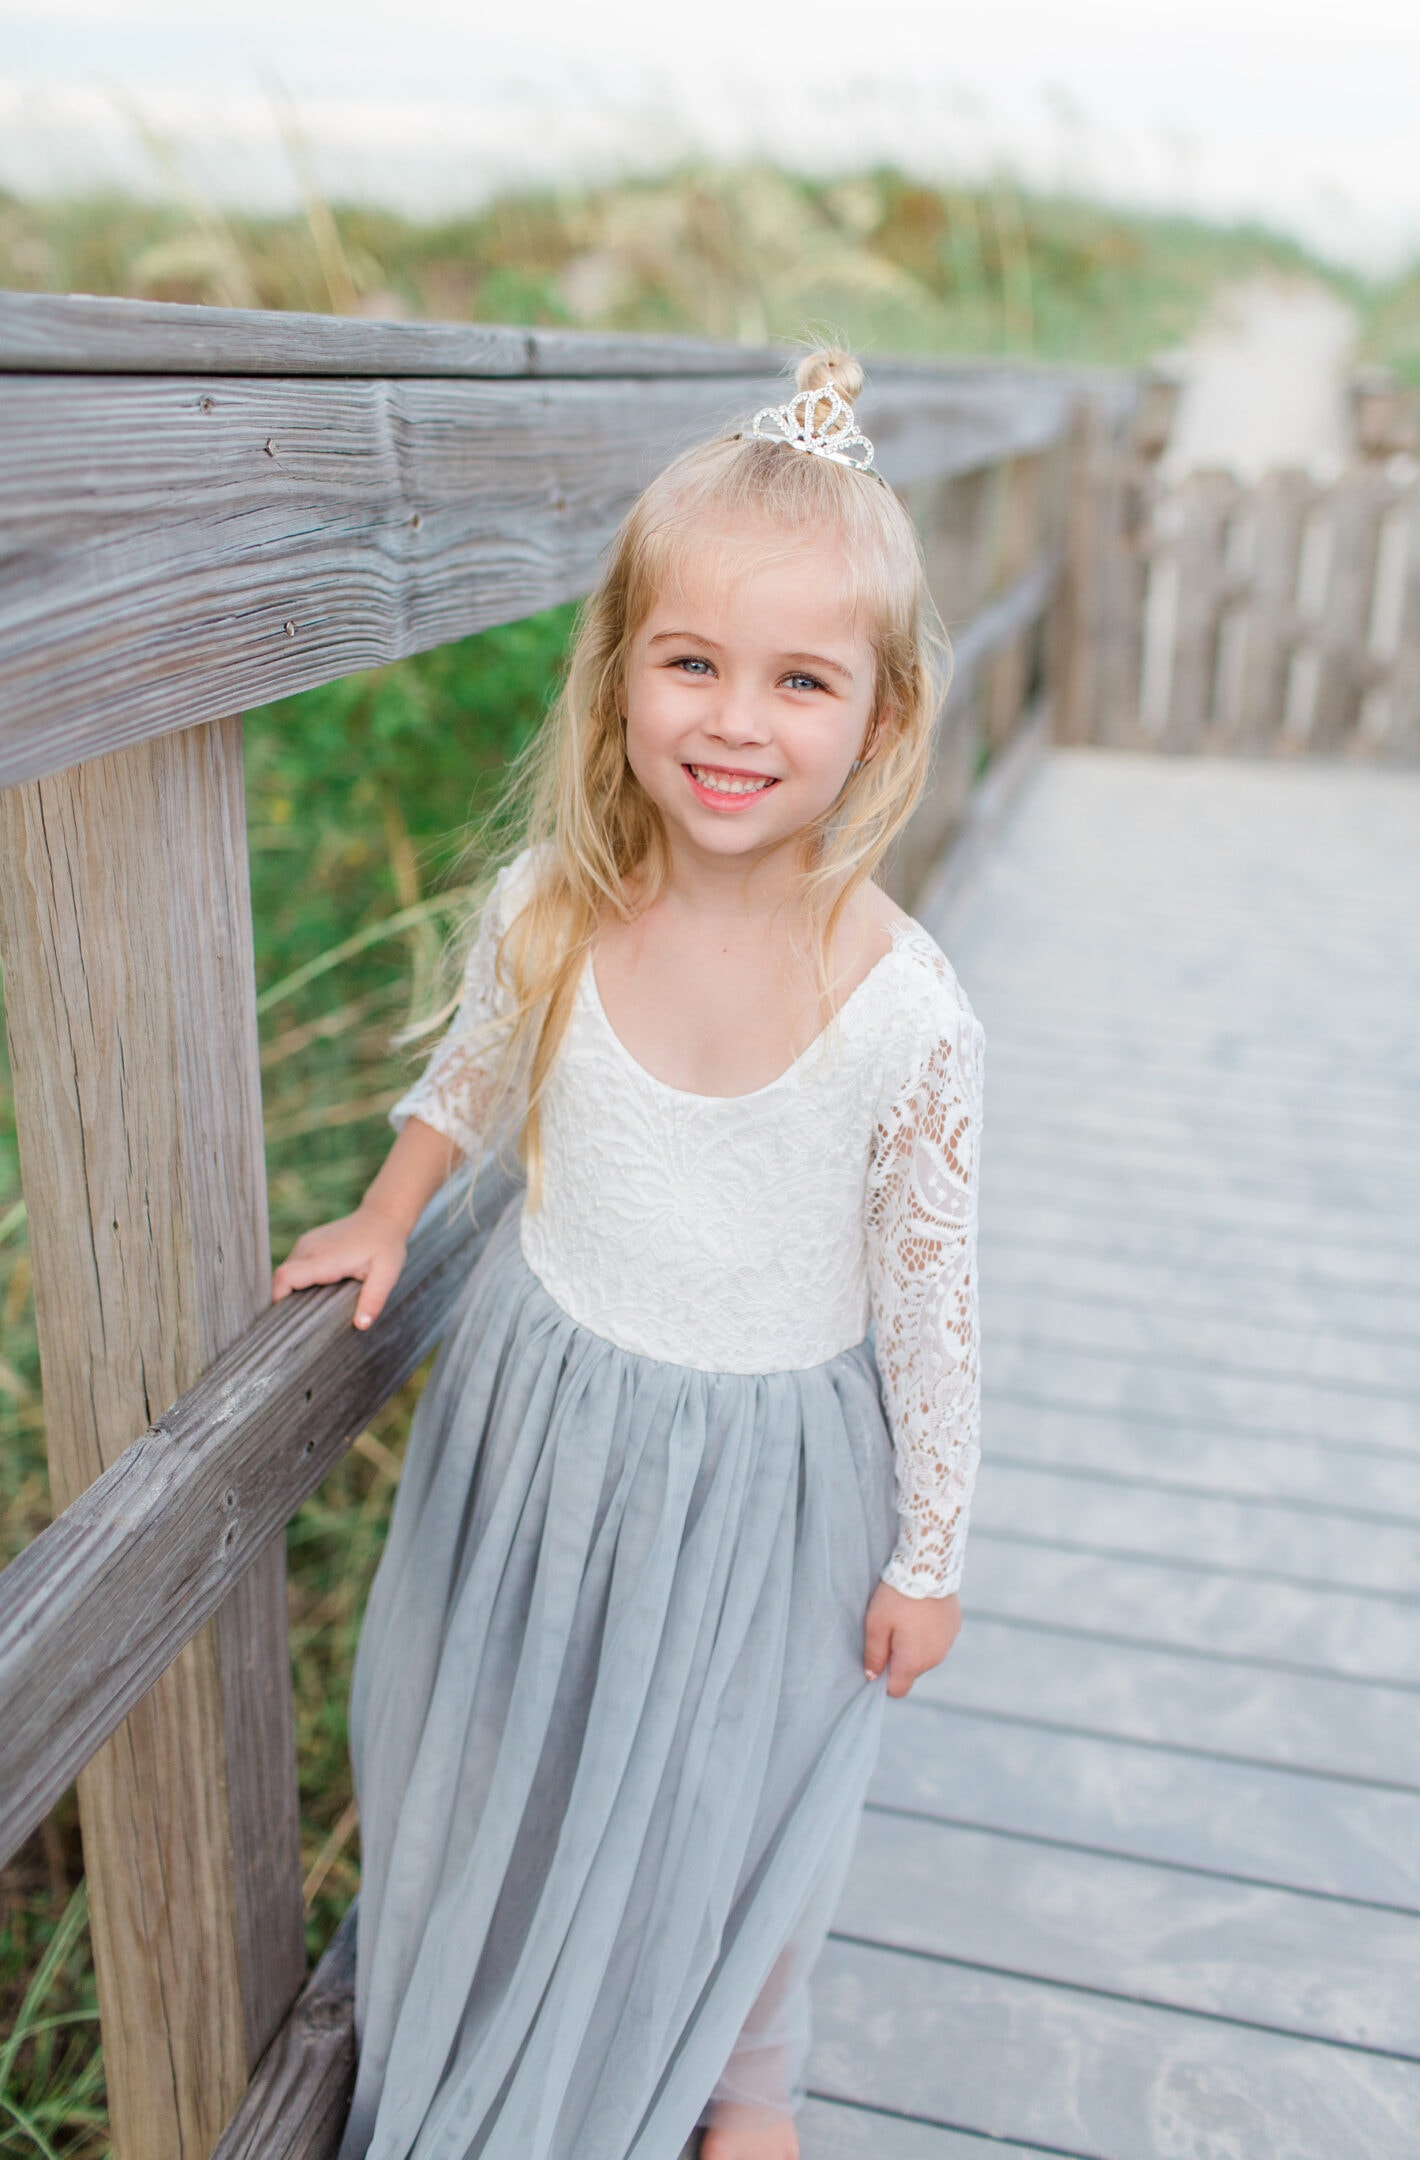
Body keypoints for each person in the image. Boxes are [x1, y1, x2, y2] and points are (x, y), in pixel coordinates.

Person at [271, 346, 985, 2160]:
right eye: (694, 662)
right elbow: (478, 1065)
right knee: (516, 1754)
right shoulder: (556, 907)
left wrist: (929, 1549)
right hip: (549, 1420)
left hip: (769, 1486)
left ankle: (742, 2098)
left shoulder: (909, 1010)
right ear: (624, 672)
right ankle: (501, 2029)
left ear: (881, 721)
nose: (735, 722)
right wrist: (392, 1202)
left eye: (800, 681)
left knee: (730, 1815)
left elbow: (931, 1299)